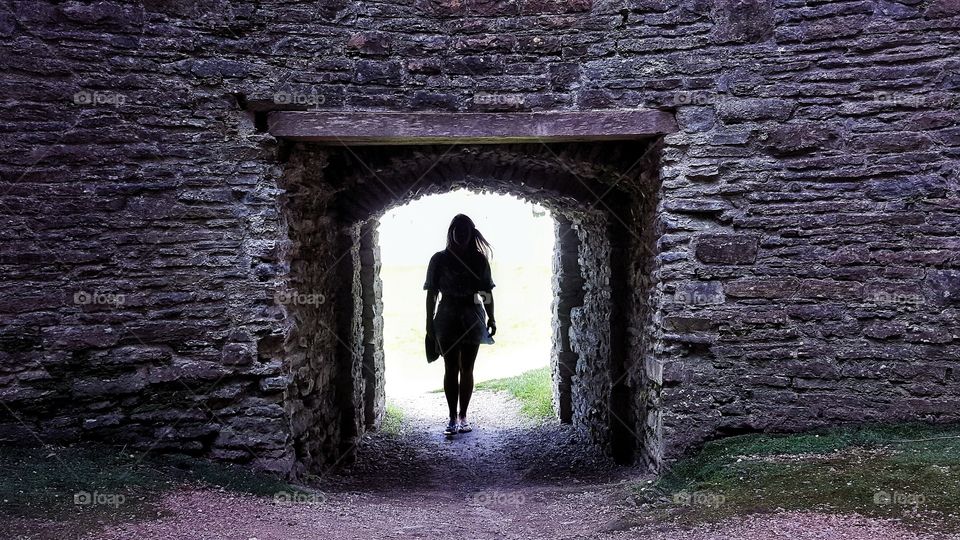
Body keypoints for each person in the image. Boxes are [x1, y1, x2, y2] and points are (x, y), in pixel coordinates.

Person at [424, 214, 497, 436]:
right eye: (458, 230)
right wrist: (429, 323)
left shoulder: (479, 260)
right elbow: (431, 294)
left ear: (470, 232)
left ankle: (463, 415)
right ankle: (452, 417)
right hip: (446, 317)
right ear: (452, 231)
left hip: (472, 316)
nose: (462, 234)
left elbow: (485, 292)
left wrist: (491, 317)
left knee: (467, 368)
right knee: (450, 368)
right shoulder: (438, 260)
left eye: (466, 230)